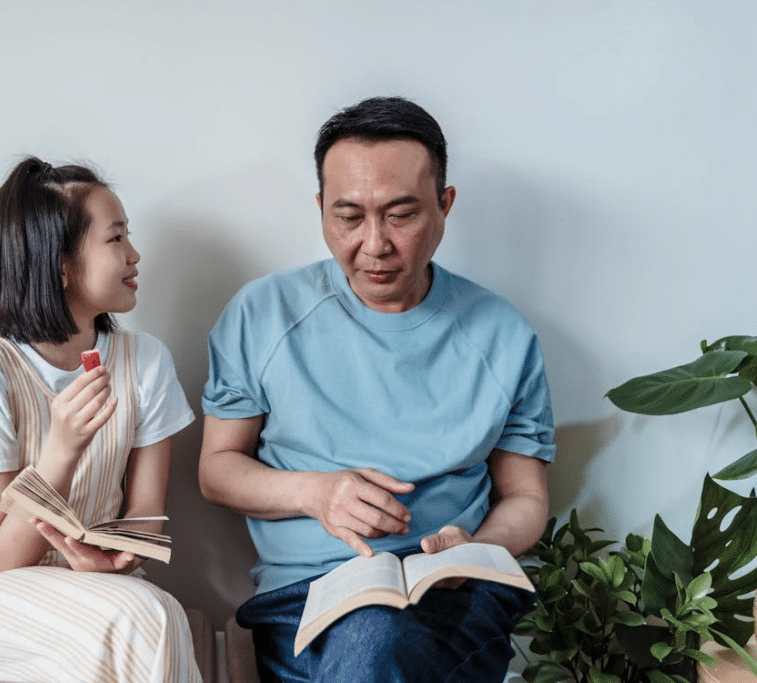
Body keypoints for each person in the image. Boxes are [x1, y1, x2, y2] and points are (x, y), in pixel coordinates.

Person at [199, 97, 555, 682]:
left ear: (445, 205)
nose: (374, 244)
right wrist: (315, 494)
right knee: (375, 641)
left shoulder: (503, 334)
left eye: (400, 214)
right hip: (307, 601)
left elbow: (526, 497)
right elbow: (217, 470)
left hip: (456, 595)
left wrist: (474, 547)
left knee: (385, 648)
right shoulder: (262, 315)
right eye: (348, 216)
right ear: (320, 209)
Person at [0, 157, 203, 683]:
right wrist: (63, 447)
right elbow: (8, 557)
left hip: (97, 585)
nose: (135, 255)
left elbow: (145, 511)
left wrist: (116, 555)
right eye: (115, 239)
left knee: (155, 613)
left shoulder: (144, 361)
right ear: (61, 264)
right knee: (149, 615)